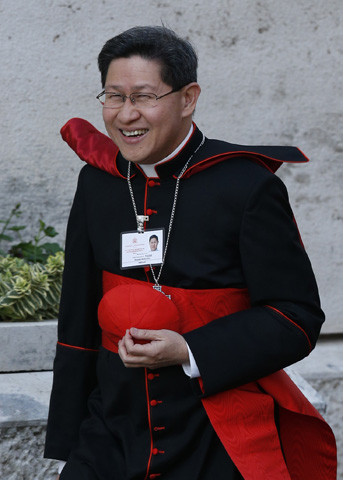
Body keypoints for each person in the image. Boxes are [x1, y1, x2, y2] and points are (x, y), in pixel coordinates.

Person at [45, 26, 336, 479]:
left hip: (213, 431)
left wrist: (189, 349)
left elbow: (296, 317)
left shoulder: (246, 187)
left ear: (188, 98)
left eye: (143, 96)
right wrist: (69, 436)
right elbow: (77, 315)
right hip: (111, 432)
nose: (126, 115)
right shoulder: (98, 181)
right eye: (114, 96)